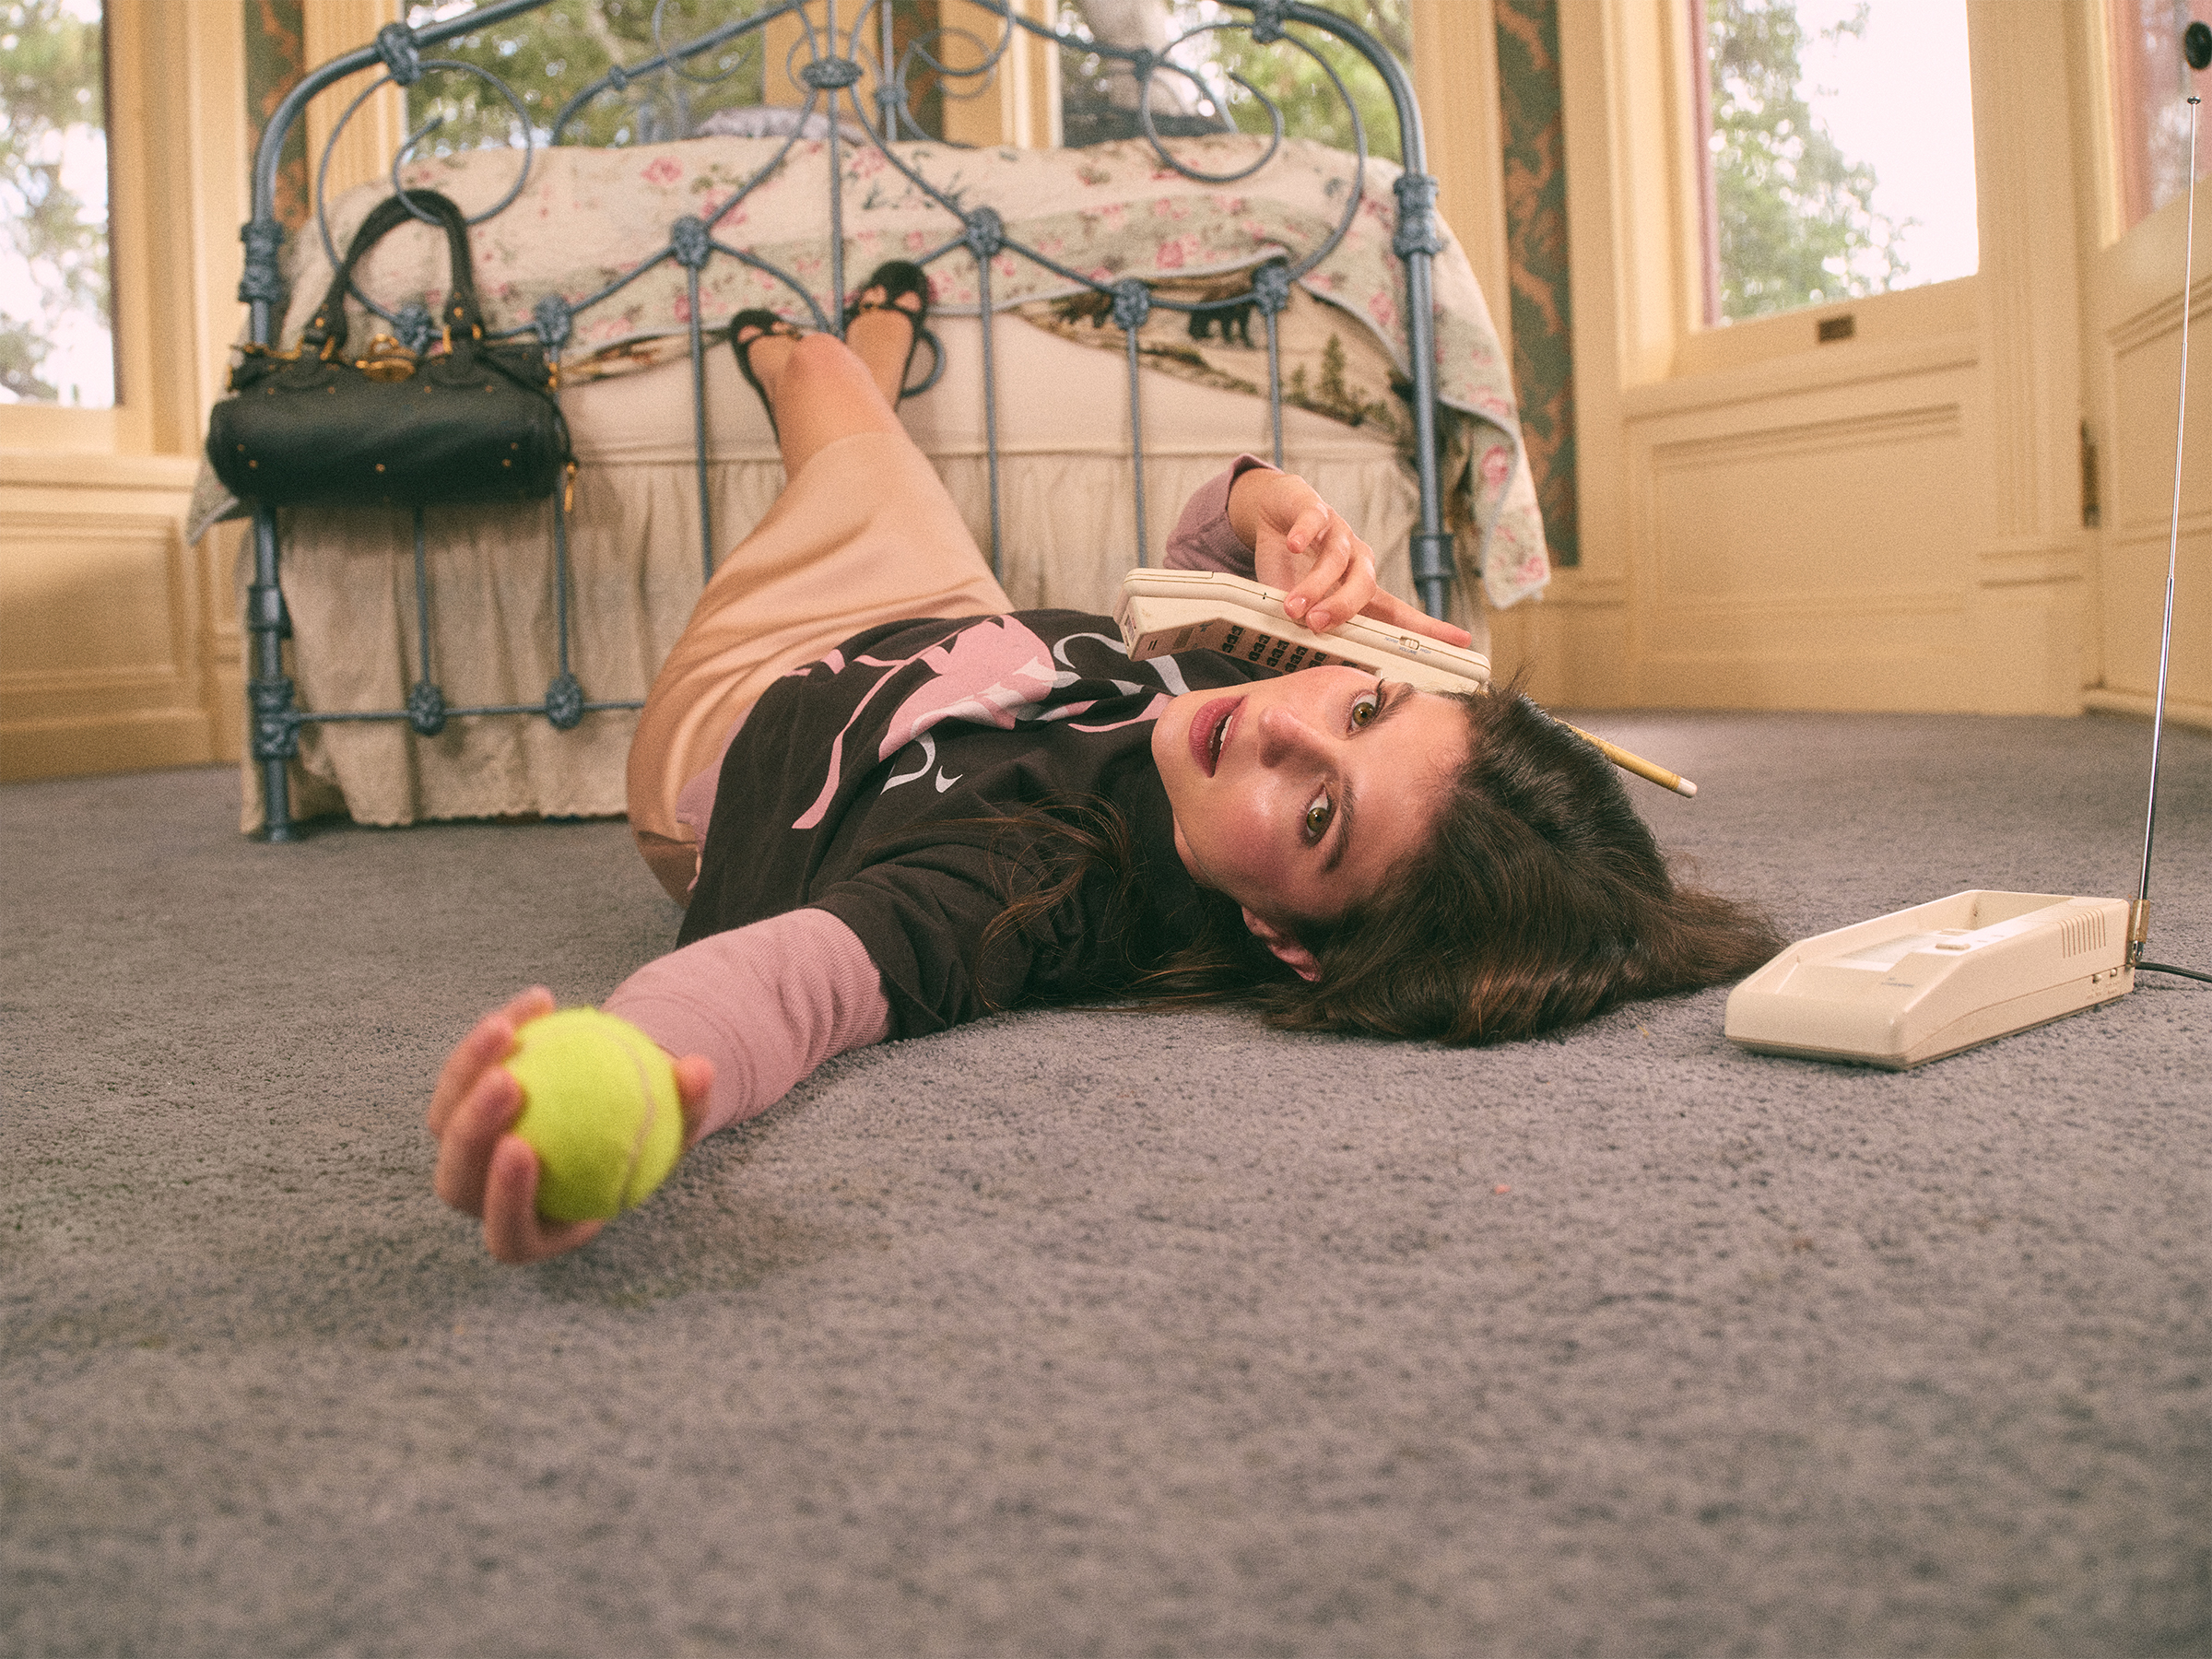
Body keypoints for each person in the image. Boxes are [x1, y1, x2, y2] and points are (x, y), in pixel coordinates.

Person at [429, 263, 1782, 1264]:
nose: (1284, 727)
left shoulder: (1020, 896)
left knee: (828, 407)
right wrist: (1274, 508)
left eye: (1319, 813)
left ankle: (813, 352)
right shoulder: (1249, 710)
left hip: (758, 709)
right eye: (1365, 710)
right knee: (875, 454)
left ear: (1291, 943)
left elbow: (793, 988)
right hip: (953, 629)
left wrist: (639, 1076)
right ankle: (866, 364)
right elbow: (1191, 567)